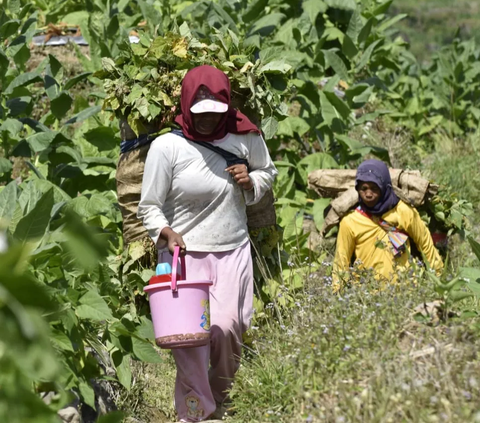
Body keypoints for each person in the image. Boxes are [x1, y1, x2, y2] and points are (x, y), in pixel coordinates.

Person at [137, 65, 277, 422]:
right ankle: (196, 412)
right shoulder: (167, 146)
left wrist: (251, 182)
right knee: (191, 341)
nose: (205, 121)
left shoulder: (245, 137)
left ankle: (219, 396)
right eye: (199, 114)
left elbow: (267, 172)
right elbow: (149, 205)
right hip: (183, 257)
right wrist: (165, 234)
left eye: (214, 114)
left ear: (226, 108)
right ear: (186, 106)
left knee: (229, 328)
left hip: (232, 250)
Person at [332, 159, 443, 292]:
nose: (368, 194)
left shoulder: (403, 211)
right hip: (368, 294)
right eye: (363, 189)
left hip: (406, 290)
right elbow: (341, 260)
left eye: (374, 188)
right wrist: (337, 292)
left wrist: (439, 281)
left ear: (384, 186)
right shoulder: (350, 221)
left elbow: (425, 245)